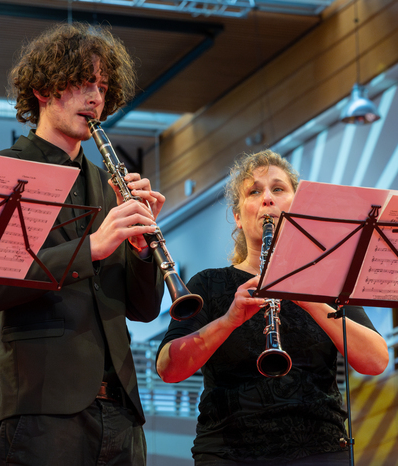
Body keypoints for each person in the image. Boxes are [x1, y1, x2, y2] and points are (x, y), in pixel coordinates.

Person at [0, 22, 166, 465]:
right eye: (82, 82)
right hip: (41, 407)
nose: (95, 96)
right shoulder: (0, 169)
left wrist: (141, 250)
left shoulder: (106, 182)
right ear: (43, 88)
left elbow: (143, 308)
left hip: (120, 412)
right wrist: (92, 247)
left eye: (102, 85)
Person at [156, 150, 389, 465]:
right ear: (238, 217)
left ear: (298, 205)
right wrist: (228, 321)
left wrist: (311, 301)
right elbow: (169, 368)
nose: (267, 198)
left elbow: (375, 360)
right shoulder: (207, 284)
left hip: (320, 448)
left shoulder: (327, 283)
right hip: (228, 453)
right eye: (254, 191)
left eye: (278, 189)